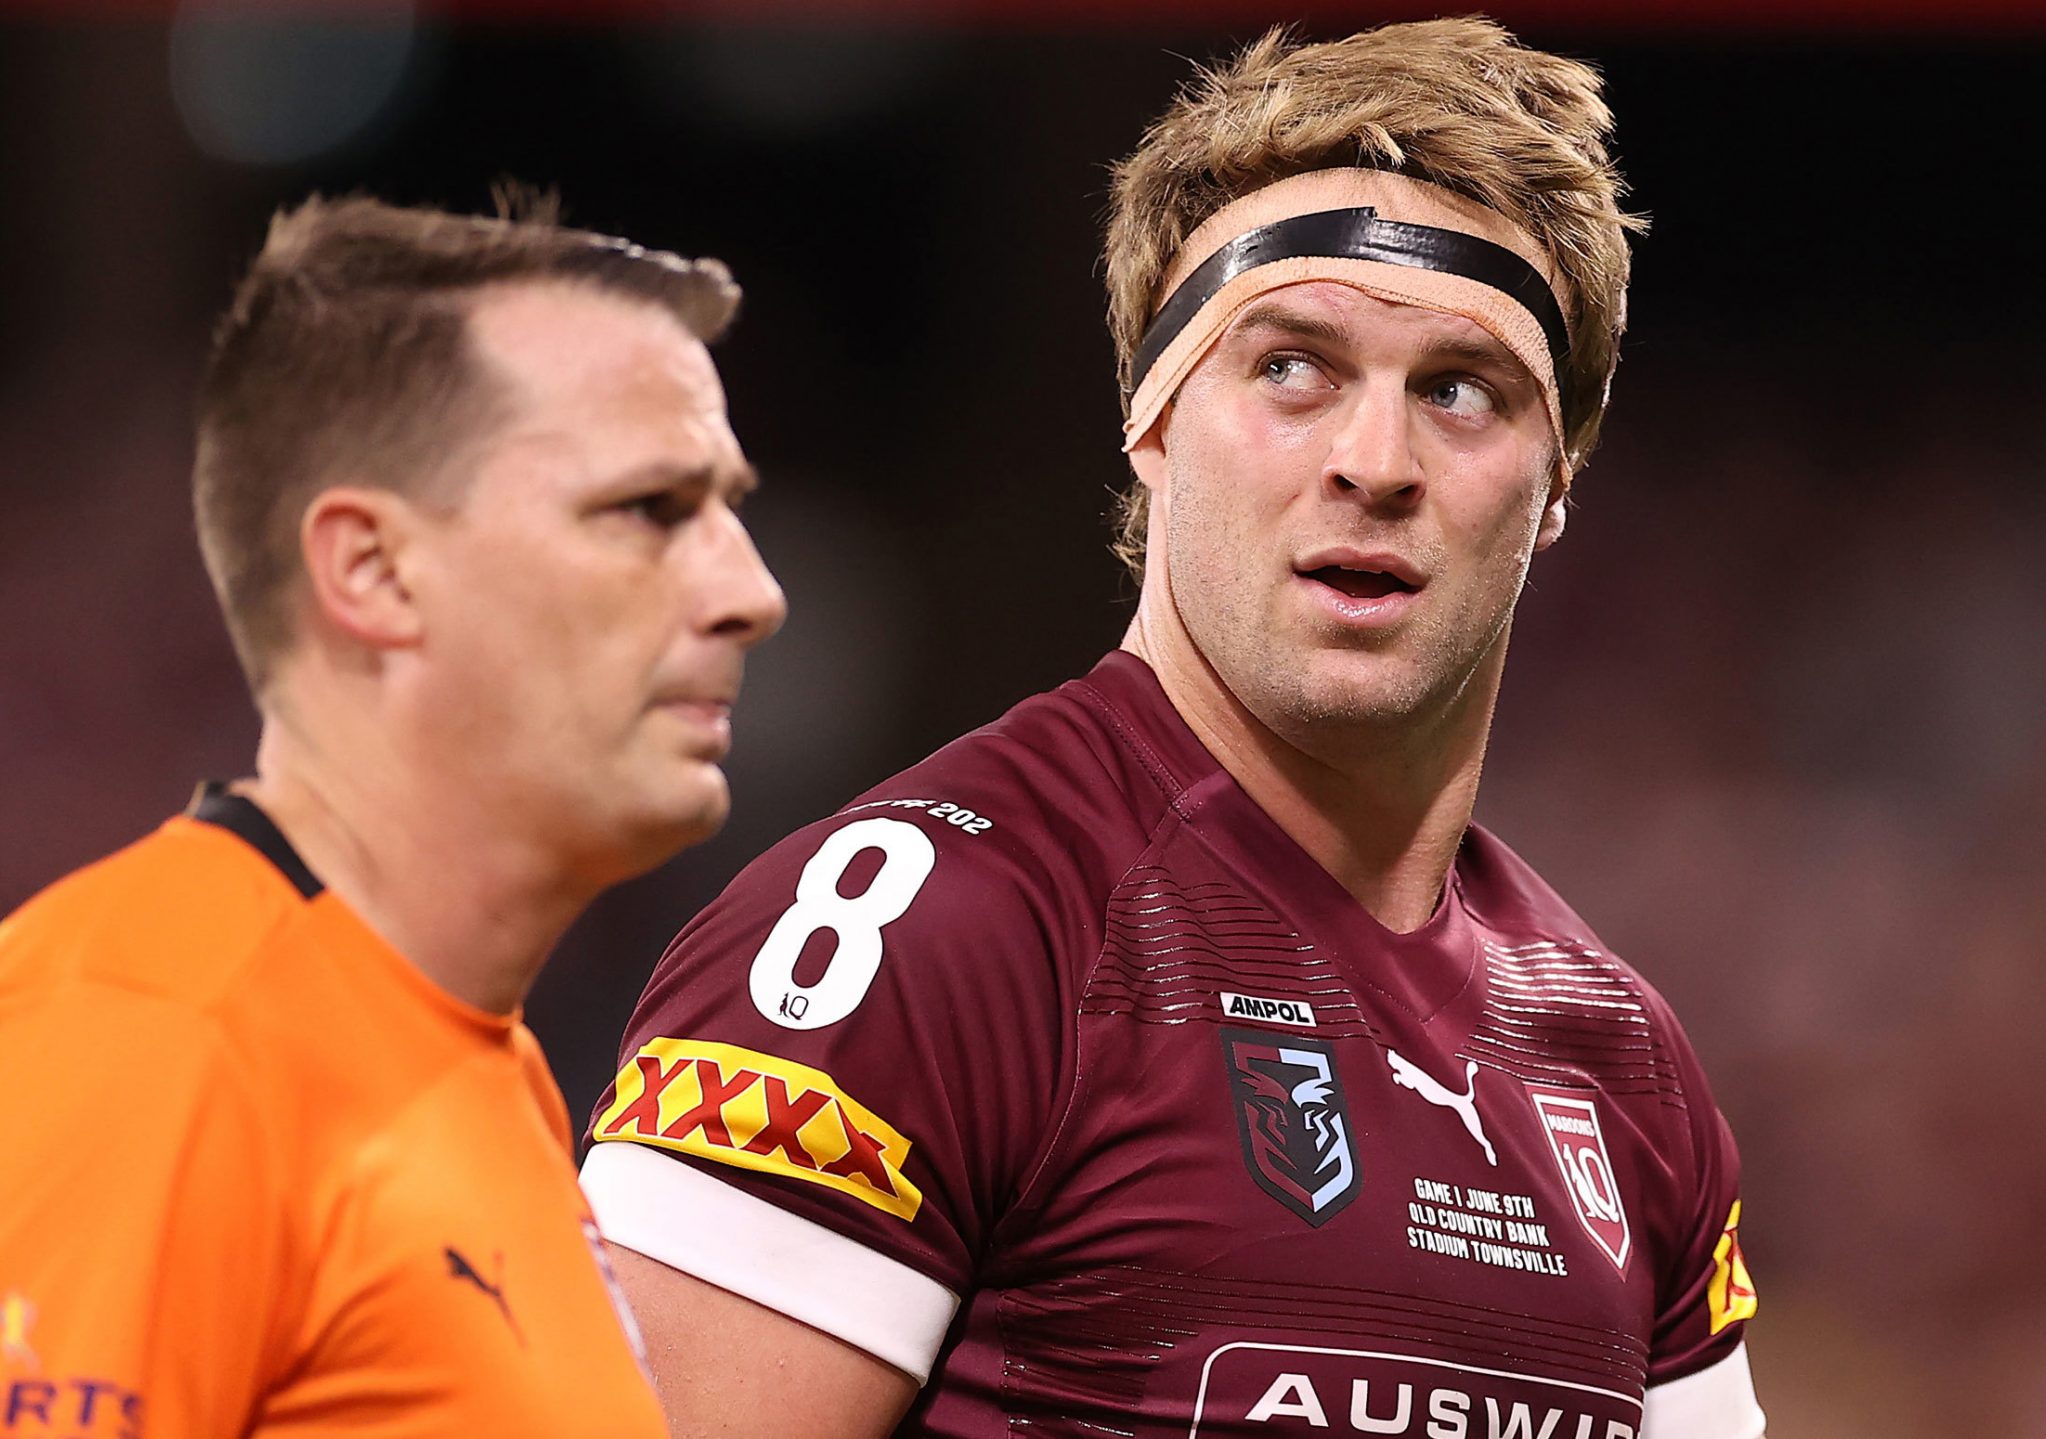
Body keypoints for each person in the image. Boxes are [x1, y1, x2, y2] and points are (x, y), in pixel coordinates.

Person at [584, 18, 1763, 1439]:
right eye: (1291, 366)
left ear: (1556, 483)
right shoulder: (919, 931)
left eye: (1462, 391)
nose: (1374, 463)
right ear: (1151, 416)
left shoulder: (1622, 1060)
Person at [0, 193, 785, 1437]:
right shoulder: (146, 1041)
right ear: (371, 570)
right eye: (649, 510)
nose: (749, 590)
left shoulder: (471, 1066)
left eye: (730, 508)